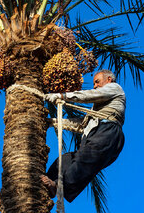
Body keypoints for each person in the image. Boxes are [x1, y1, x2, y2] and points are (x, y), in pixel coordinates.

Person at [41, 69, 126, 202]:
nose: (95, 85)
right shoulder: (97, 109)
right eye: (94, 83)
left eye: (97, 82)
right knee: (66, 160)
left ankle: (59, 187)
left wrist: (61, 96)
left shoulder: (115, 88)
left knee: (84, 159)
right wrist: (53, 122)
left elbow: (90, 95)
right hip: (95, 134)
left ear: (109, 79)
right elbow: (81, 125)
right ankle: (46, 184)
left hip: (108, 131)